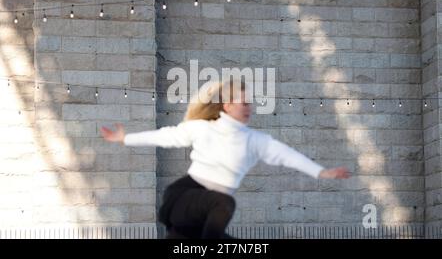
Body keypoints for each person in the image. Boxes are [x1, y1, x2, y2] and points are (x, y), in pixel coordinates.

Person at [100, 80, 350, 239]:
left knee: (214, 215)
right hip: (186, 196)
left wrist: (321, 172)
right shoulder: (203, 128)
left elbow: (287, 155)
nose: (249, 107)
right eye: (244, 103)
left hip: (200, 215)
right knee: (224, 203)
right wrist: (125, 138)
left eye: (250, 103)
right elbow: (167, 136)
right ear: (228, 106)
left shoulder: (256, 140)